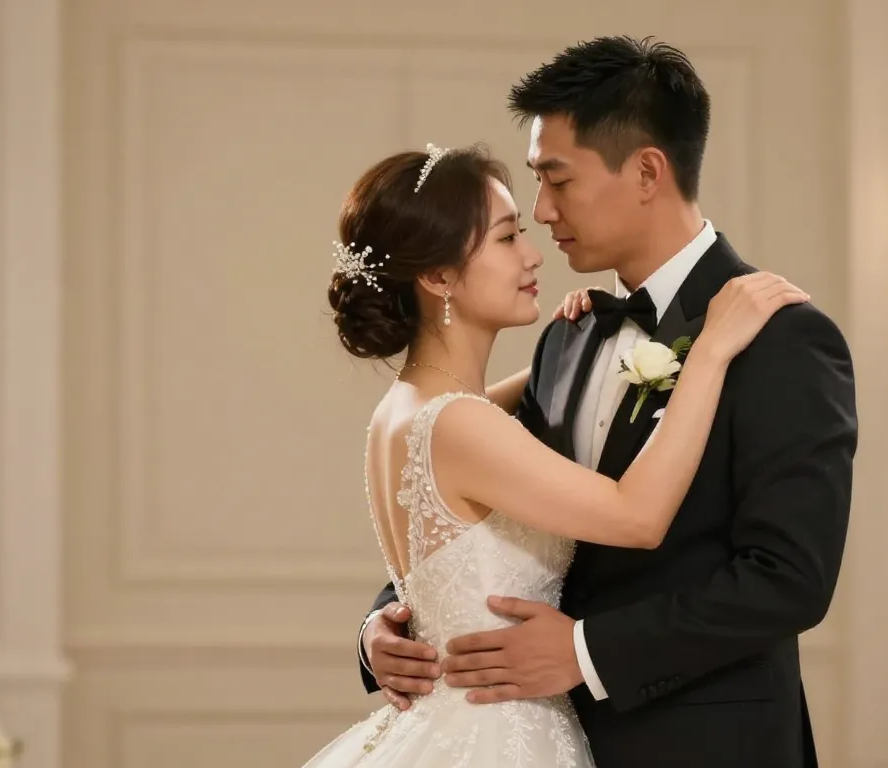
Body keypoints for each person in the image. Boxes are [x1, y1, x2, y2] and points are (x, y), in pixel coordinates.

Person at [356, 36, 857, 767]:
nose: (542, 211)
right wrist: (389, 623)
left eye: (557, 180)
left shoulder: (781, 339)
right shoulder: (568, 336)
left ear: (647, 172)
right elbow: (472, 509)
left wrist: (586, 652)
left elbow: (790, 582)